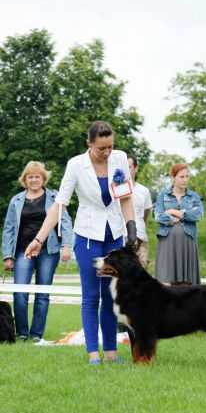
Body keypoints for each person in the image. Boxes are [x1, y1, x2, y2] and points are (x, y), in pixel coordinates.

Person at [24, 121, 136, 364]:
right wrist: (38, 239)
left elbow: (125, 198)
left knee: (110, 295)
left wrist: (132, 229)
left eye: (110, 147)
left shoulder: (119, 158)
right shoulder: (76, 165)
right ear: (90, 144)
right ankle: (93, 353)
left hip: (114, 234)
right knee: (91, 296)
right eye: (101, 149)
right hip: (87, 236)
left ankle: (111, 353)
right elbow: (58, 205)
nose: (107, 153)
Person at [2, 161, 73, 342]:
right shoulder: (16, 200)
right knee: (20, 293)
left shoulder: (54, 198)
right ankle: (22, 333)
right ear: (25, 179)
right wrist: (7, 255)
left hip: (48, 251)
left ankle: (36, 334)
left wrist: (66, 246)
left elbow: (64, 221)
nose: (34, 180)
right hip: (22, 251)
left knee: (42, 294)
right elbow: (9, 228)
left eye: (37, 176)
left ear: (43, 178)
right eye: (30, 176)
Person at [155, 163, 203, 285]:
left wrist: (173, 212)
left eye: (187, 176)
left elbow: (198, 215)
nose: (185, 180)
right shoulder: (163, 195)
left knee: (188, 282)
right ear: (173, 177)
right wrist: (171, 219)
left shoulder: (194, 196)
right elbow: (158, 216)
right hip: (167, 241)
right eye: (182, 177)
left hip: (188, 242)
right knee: (165, 279)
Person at [127, 155, 152, 268]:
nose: (126, 171)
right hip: (121, 237)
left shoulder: (144, 191)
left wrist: (141, 225)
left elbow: (146, 212)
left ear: (136, 168)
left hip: (140, 237)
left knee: (141, 276)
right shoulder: (114, 189)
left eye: (129, 167)